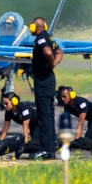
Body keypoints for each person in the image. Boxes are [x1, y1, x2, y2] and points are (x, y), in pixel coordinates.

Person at [30, 16, 62, 160]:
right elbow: (60, 51)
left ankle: (45, 149)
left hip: (43, 80)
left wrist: (51, 63)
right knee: (49, 115)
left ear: (35, 27)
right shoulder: (49, 37)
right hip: (49, 79)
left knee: (43, 116)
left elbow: (48, 52)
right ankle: (50, 149)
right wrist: (54, 63)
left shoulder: (41, 39)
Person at [0, 92, 34, 158]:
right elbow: (5, 127)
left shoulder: (23, 108)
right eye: (3, 103)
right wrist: (0, 143)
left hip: (37, 124)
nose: (4, 105)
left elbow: (25, 128)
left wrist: (25, 143)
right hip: (31, 125)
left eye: (6, 103)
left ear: (14, 102)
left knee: (32, 145)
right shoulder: (8, 111)